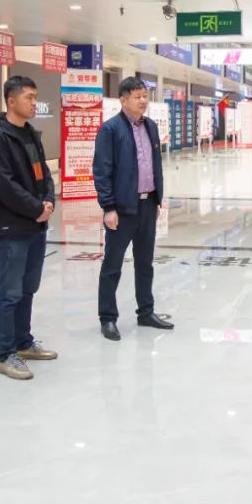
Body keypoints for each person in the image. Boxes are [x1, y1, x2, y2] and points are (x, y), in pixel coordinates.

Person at [0, 75, 58, 381]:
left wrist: (48, 200)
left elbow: (45, 174)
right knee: (10, 291)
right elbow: (3, 184)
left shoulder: (30, 134)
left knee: (28, 287)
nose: (34, 103)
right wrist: (35, 208)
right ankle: (6, 355)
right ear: (11, 101)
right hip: (11, 226)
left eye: (35, 97)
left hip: (36, 225)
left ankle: (24, 342)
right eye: (29, 97)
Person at [92, 76, 175, 341]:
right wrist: (108, 207)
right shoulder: (110, 130)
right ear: (123, 100)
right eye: (137, 97)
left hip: (148, 205)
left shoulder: (150, 126)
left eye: (145, 96)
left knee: (145, 262)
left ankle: (146, 312)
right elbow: (102, 171)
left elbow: (155, 164)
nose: (143, 101)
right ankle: (108, 318)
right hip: (122, 208)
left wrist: (157, 199)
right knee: (113, 265)